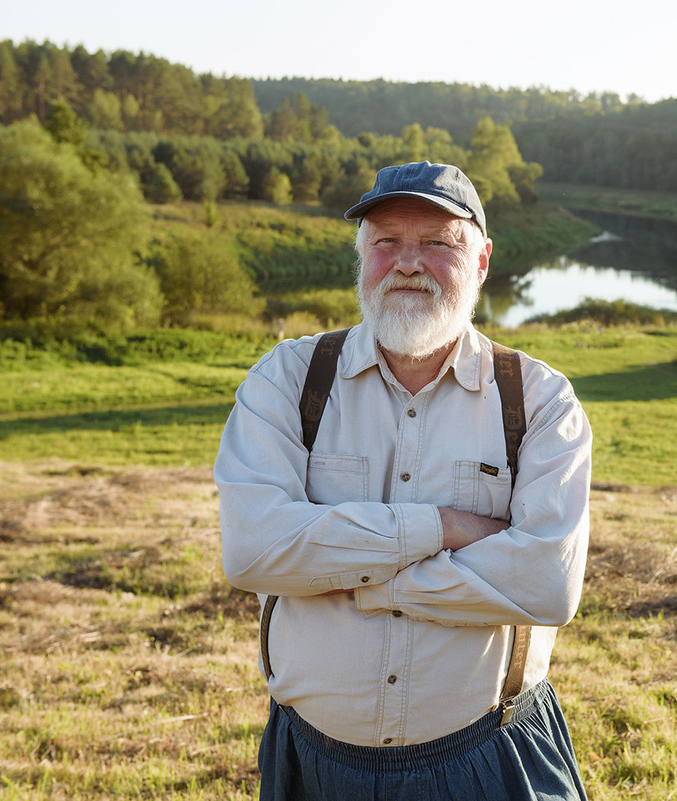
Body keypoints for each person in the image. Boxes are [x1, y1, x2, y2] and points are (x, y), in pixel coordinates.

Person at [214, 161, 592, 800]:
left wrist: (353, 576)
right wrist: (442, 527)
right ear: (363, 258)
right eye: (386, 242)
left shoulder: (538, 398)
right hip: (314, 762)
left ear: (481, 261)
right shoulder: (288, 378)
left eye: (438, 244)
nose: (408, 263)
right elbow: (253, 550)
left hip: (491, 754)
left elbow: (547, 584)